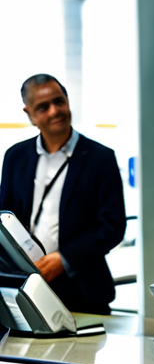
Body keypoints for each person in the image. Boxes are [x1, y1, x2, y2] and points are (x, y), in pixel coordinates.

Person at [0, 74, 127, 315]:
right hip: (26, 287)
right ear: (30, 115)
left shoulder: (101, 158)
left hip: (83, 289)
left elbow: (112, 226)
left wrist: (64, 259)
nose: (54, 111)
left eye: (59, 101)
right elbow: (5, 217)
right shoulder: (15, 157)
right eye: (43, 107)